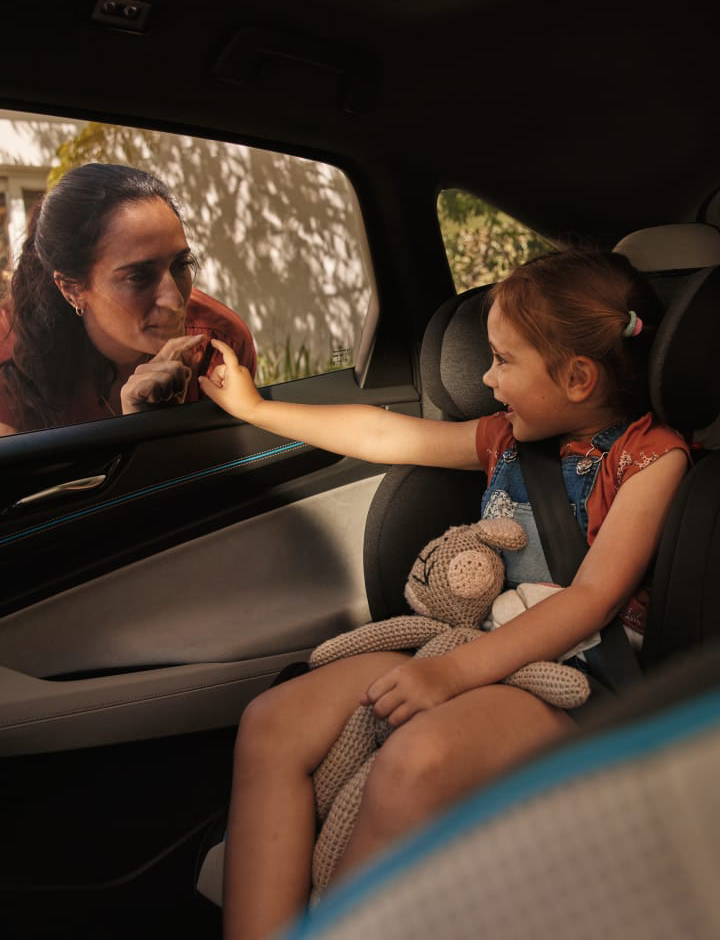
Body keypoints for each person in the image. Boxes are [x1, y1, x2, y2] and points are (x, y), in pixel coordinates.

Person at [198, 249, 690, 940]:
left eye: (502, 361)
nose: (487, 380)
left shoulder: (652, 458)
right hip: (479, 647)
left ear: (578, 378)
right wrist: (254, 407)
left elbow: (592, 601)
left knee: (414, 762)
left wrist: (451, 673)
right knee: (272, 721)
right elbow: (381, 432)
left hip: (578, 682)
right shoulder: (507, 441)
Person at [0, 162, 256, 436]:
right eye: (138, 277)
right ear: (71, 289)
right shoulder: (11, 354)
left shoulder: (218, 343)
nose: (174, 301)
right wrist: (138, 431)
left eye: (181, 265)